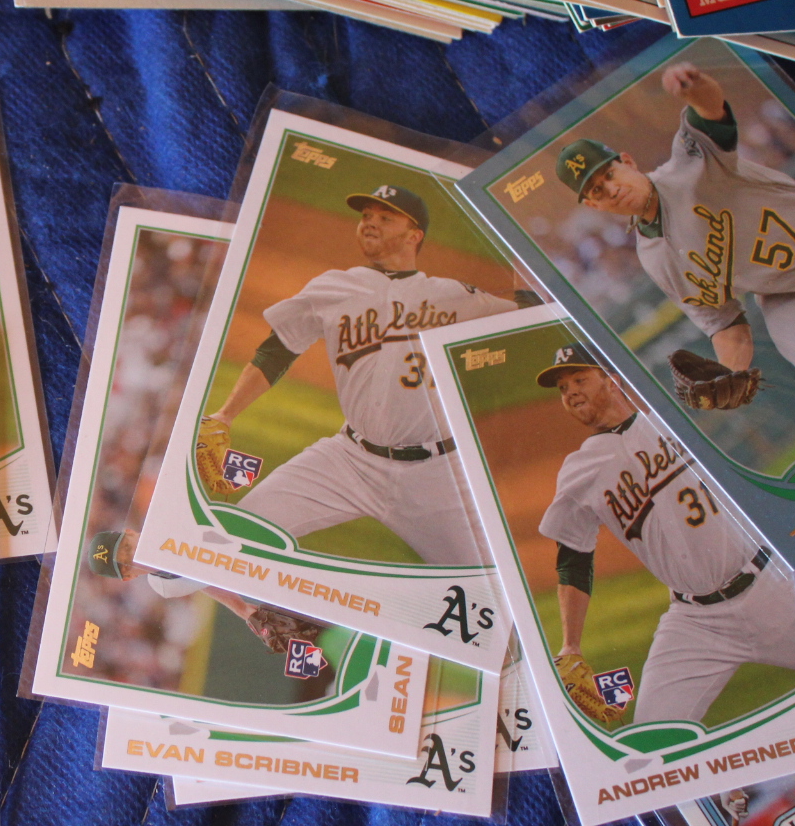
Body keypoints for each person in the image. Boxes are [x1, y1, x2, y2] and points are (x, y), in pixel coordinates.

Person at [557, 61, 795, 433]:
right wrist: (728, 373)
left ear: (627, 162)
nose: (612, 188)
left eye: (609, 174)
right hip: (790, 293)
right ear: (594, 205)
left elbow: (710, 110)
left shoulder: (690, 163)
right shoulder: (655, 258)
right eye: (598, 190)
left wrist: (695, 85)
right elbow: (725, 323)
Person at [201, 183, 522, 562]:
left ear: (414, 235)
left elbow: (528, 313)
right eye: (367, 216)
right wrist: (226, 414)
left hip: (438, 475)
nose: (370, 223)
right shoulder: (333, 286)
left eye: (386, 218)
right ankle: (156, 577)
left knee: (490, 582)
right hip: (348, 460)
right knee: (236, 533)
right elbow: (277, 351)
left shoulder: (453, 296)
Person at [537, 342, 795, 724]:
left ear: (611, 381)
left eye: (579, 380)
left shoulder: (669, 418)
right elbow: (573, 556)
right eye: (563, 388)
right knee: (655, 736)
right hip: (694, 623)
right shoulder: (579, 470)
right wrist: (571, 644)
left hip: (769, 588)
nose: (570, 392)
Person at [85, 528, 325, 655]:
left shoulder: (167, 518)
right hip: (267, 573)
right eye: (127, 564)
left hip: (263, 537)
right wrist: (241, 609)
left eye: (128, 548)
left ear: (130, 532)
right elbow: (203, 582)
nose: (135, 557)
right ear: (129, 577)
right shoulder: (164, 585)